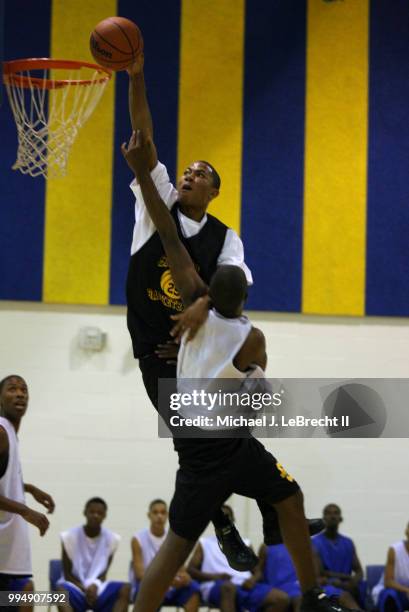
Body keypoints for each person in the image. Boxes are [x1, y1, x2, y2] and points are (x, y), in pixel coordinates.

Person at [120, 128, 354, 612]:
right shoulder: (239, 330)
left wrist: (256, 384)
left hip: (215, 433)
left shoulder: (214, 328)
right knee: (261, 505)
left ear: (214, 293)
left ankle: (301, 586)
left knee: (286, 497)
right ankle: (234, 521)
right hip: (207, 436)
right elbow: (257, 397)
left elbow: (171, 238)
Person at [125, 55, 322, 569]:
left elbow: (235, 290)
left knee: (230, 434)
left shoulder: (225, 237)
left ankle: (270, 513)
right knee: (195, 445)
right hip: (156, 354)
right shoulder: (156, 208)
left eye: (200, 174)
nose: (189, 176)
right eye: (186, 171)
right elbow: (142, 136)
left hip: (201, 356)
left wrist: (201, 309)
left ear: (214, 192)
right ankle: (230, 522)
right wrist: (136, 73)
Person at [0, 374, 55, 609]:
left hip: (9, 557)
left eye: (24, 389)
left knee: (27, 593)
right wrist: (26, 511)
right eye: (12, 389)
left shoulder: (10, 434)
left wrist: (28, 488)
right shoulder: (1, 432)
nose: (20, 393)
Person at [188, 503, 283, 612]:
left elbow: (258, 571)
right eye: (220, 518)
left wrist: (252, 580)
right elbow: (190, 570)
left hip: (244, 585)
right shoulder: (204, 543)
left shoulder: (246, 543)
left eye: (227, 517)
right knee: (228, 588)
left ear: (233, 519)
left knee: (280, 598)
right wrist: (215, 577)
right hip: (216, 585)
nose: (223, 521)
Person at [56, 497, 130, 612]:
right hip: (76, 586)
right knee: (60, 591)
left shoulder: (112, 539)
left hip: (97, 588)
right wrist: (85, 588)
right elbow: (67, 574)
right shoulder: (69, 537)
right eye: (92, 512)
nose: (95, 515)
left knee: (126, 588)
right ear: (85, 512)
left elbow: (103, 574)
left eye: (99, 513)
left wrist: (94, 586)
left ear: (105, 515)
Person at [131, 499, 200, 611]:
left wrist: (184, 578)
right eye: (156, 512)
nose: (159, 516)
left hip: (171, 585)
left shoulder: (175, 537)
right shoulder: (137, 539)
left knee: (194, 588)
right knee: (152, 589)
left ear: (167, 515)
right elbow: (140, 574)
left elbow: (181, 569)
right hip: (149, 584)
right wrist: (165, 581)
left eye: (163, 512)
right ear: (149, 515)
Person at [312, 504, 363, 610]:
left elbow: (359, 571)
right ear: (324, 518)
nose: (332, 516)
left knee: (360, 589)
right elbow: (321, 573)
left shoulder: (348, 542)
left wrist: (353, 581)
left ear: (340, 518)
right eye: (329, 513)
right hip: (326, 586)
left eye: (336, 513)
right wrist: (346, 577)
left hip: (346, 585)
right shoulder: (315, 542)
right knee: (343, 596)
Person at [372, 522, 409, 612]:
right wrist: (407, 590)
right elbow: (388, 582)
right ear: (406, 531)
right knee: (390, 595)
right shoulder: (394, 550)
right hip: (392, 590)